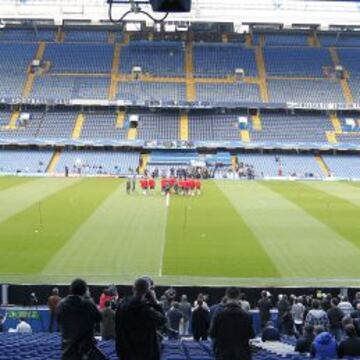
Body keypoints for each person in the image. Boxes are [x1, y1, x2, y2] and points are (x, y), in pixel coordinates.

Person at [115, 277, 166, 360]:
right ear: (148, 292)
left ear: (133, 288)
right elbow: (163, 321)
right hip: (145, 354)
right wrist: (155, 303)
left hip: (125, 352)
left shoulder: (122, 306)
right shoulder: (146, 310)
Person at [57, 278, 103, 360]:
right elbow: (99, 318)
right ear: (85, 291)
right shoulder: (88, 304)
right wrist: (89, 299)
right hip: (85, 352)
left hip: (67, 351)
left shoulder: (61, 304)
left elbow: (59, 321)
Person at [210, 287, 255, 360]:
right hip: (242, 355)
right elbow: (252, 335)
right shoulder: (247, 316)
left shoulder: (219, 315)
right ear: (239, 296)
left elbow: (212, 334)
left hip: (223, 354)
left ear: (227, 296)